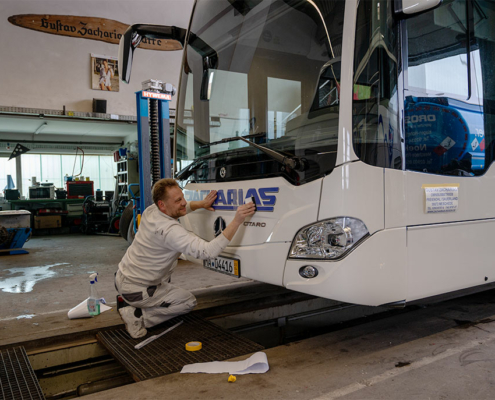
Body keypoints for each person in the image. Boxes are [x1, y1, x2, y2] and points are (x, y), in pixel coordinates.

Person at [115, 178, 256, 338]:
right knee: (187, 302)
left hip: (123, 277)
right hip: (137, 290)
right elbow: (208, 252)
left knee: (167, 275)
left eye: (182, 197)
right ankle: (138, 316)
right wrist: (237, 220)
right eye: (178, 200)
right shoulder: (170, 231)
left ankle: (134, 304)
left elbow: (182, 208)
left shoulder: (151, 211)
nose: (184, 202)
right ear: (162, 204)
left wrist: (201, 204)